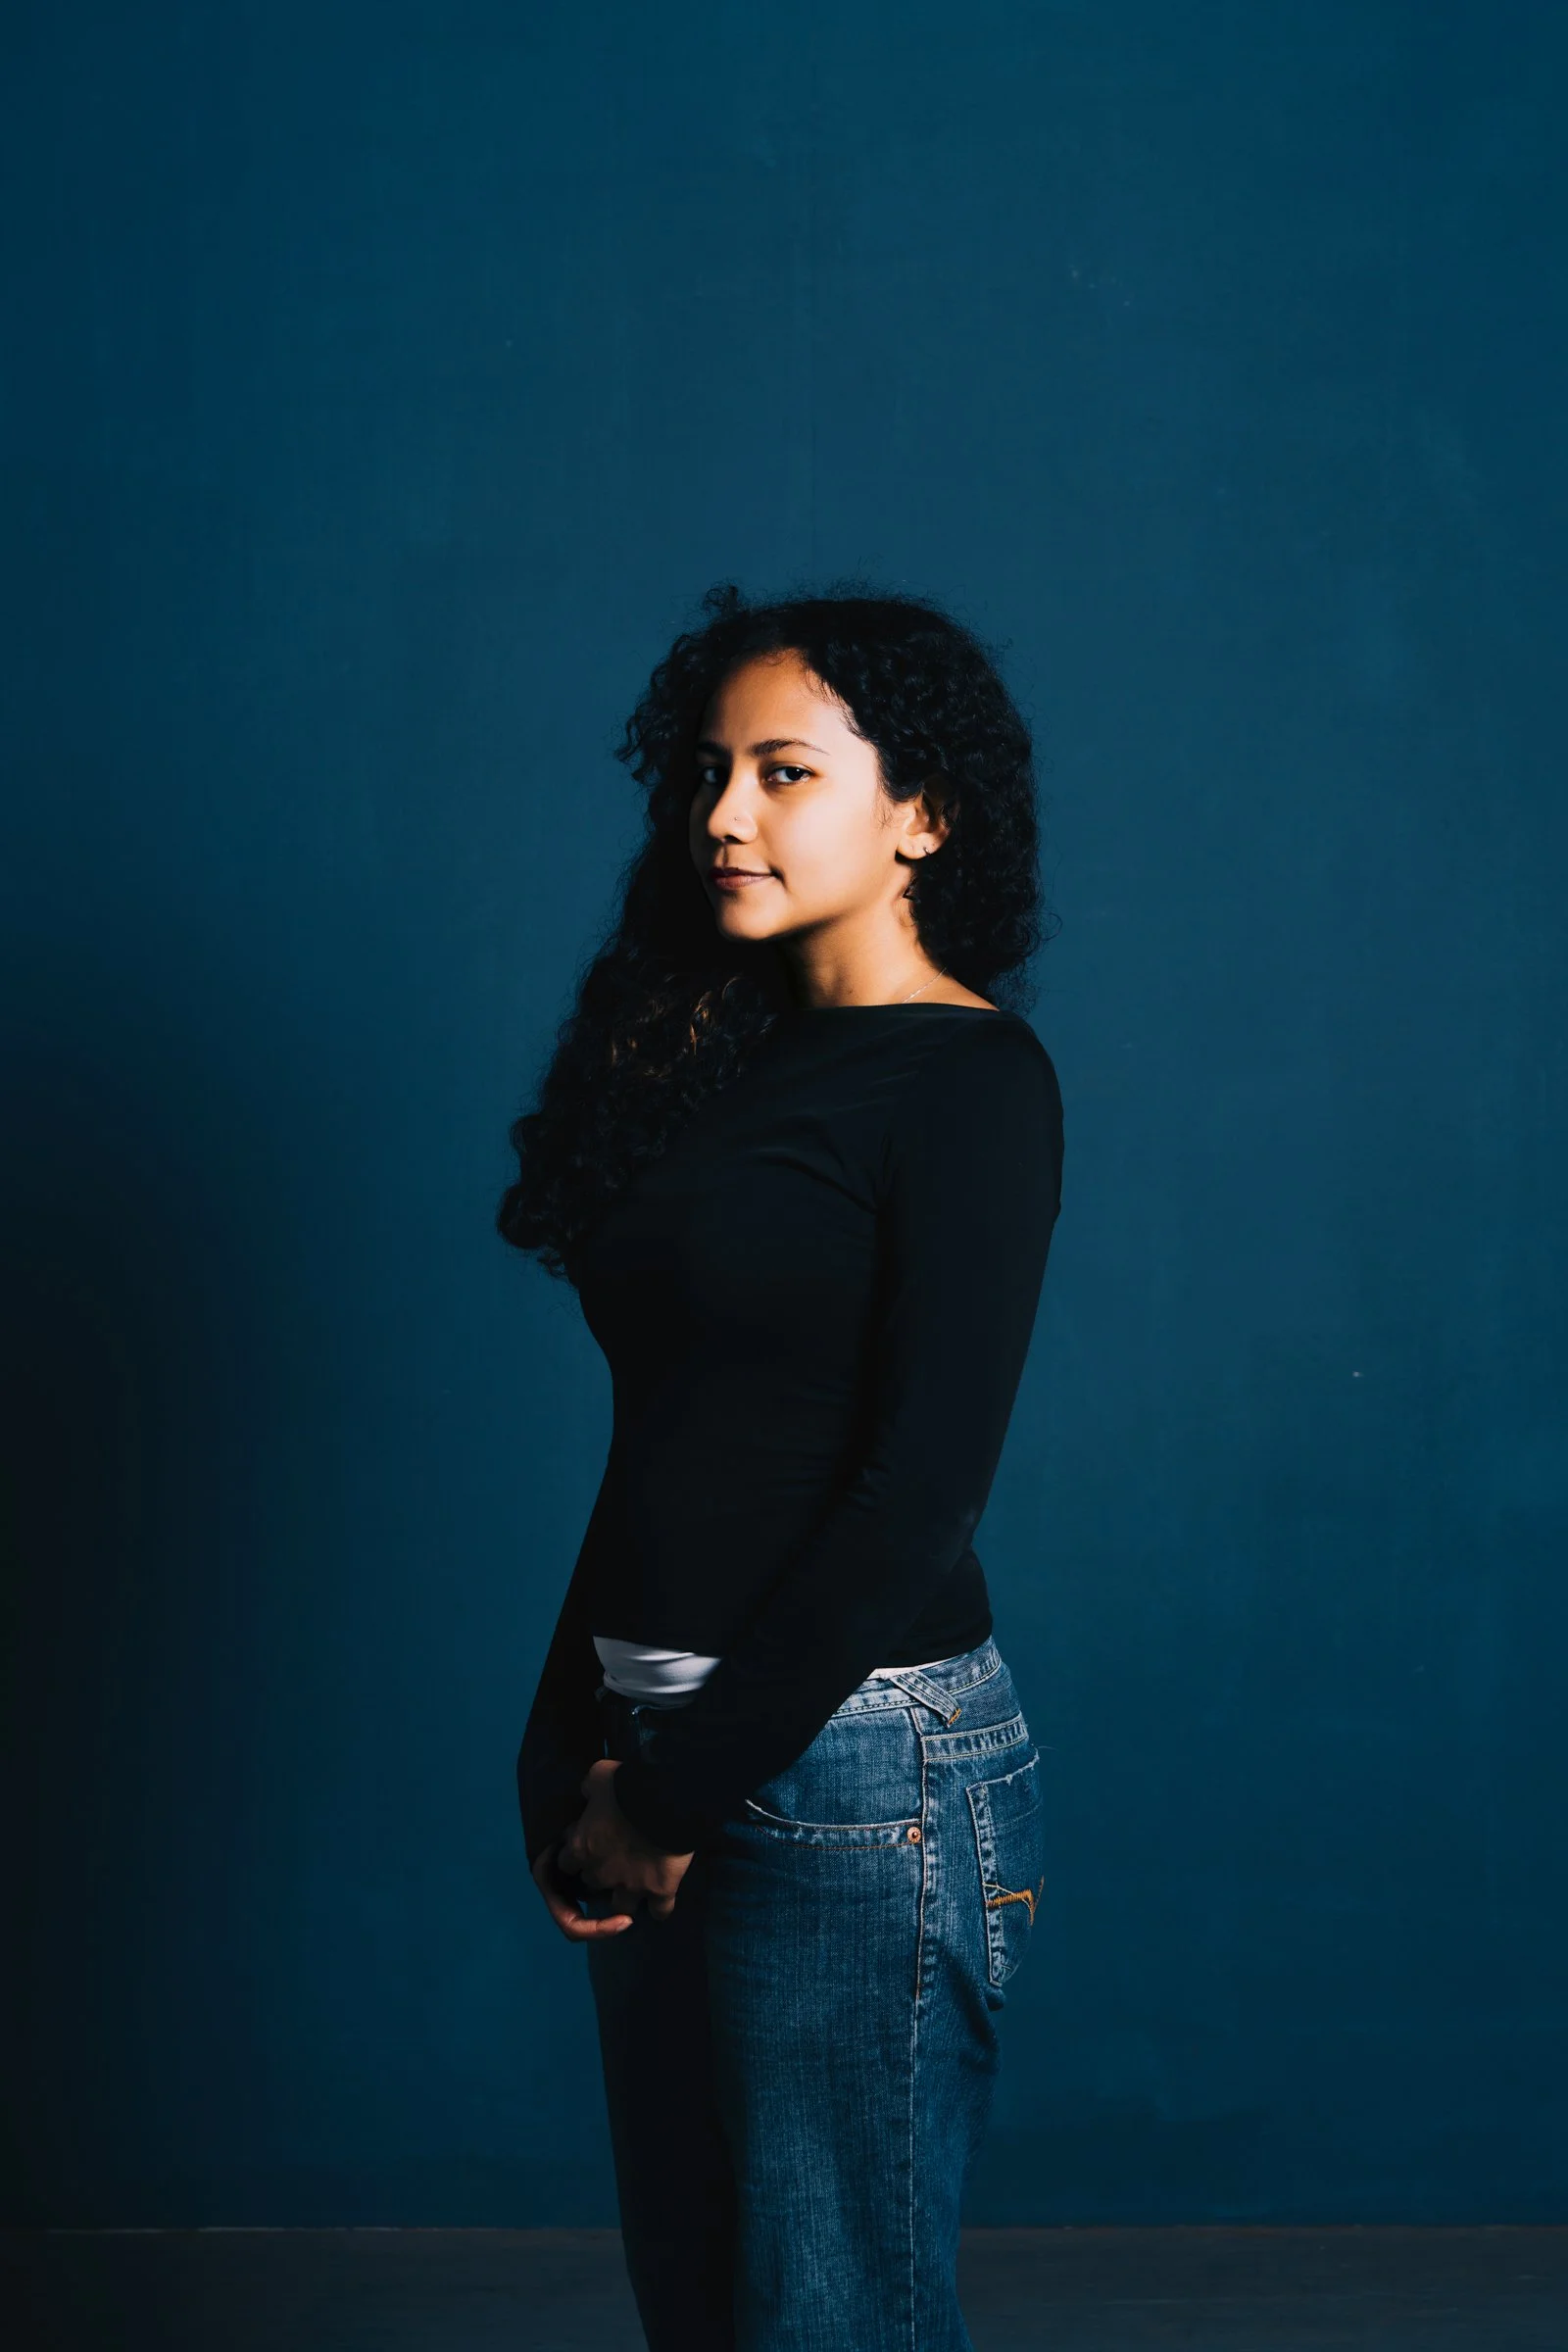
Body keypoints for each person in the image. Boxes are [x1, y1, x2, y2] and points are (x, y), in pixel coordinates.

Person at [497, 580, 1065, 2352]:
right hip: (660, 1748)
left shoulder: (971, 1083)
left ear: (922, 815)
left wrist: (675, 1799)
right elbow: (668, 1432)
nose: (724, 814)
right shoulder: (715, 1063)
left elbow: (919, 1498)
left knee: (832, 2323)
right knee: (707, 2316)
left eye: (789, 772)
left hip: (854, 1779)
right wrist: (565, 1734)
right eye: (711, 772)